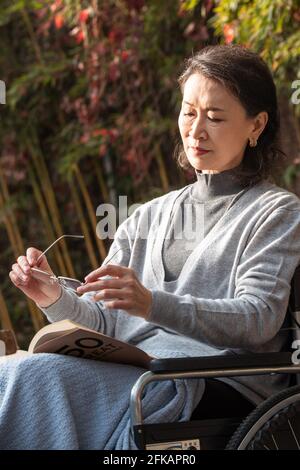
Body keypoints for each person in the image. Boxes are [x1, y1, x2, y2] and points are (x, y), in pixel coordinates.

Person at [3, 44, 300, 450]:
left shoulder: (276, 212)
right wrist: (53, 296)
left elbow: (259, 318)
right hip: (141, 376)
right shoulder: (148, 217)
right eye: (188, 112)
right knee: (12, 371)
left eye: (214, 117)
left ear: (256, 125)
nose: (195, 131)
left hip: (208, 384)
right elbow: (107, 325)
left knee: (35, 378)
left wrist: (151, 303)